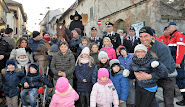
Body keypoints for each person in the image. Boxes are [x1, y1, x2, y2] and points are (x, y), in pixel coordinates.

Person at [138, 26, 176, 107]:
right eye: (141, 36)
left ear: (152, 36)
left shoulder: (162, 48)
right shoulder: (142, 47)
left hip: (168, 75)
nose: (143, 39)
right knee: (148, 97)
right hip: (153, 74)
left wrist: (149, 75)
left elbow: (166, 69)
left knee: (168, 102)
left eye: (146, 36)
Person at [167, 22, 185, 106]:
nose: (168, 29)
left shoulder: (178, 35)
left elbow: (180, 49)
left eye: (169, 27)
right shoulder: (173, 36)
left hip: (178, 63)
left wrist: (178, 62)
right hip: (174, 62)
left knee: (181, 80)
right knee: (179, 80)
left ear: (173, 27)